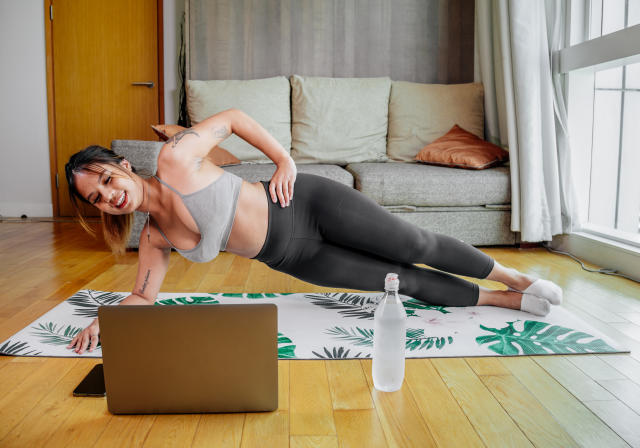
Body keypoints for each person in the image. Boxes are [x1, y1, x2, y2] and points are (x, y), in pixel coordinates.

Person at [65, 109, 563, 354]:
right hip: (294, 259)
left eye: (107, 179)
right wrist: (101, 321)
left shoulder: (176, 156)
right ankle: (506, 302)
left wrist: (284, 160)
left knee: (415, 245)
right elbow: (144, 298)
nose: (109, 196)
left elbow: (235, 119)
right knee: (399, 283)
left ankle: (512, 277)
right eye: (97, 199)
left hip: (306, 205)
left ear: (124, 166)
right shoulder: (154, 238)